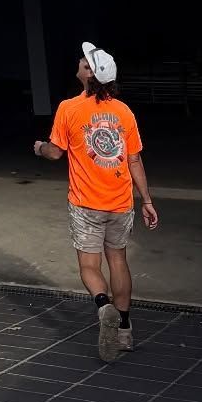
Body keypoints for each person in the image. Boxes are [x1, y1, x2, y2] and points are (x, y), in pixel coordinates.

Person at [33, 41, 158, 361]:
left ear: (88, 74)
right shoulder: (124, 111)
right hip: (120, 202)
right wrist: (146, 200)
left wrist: (38, 147)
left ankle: (104, 307)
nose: (80, 63)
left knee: (89, 265)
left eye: (84, 62)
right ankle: (126, 330)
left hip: (86, 203)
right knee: (119, 261)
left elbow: (55, 152)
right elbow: (134, 161)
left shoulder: (68, 108)